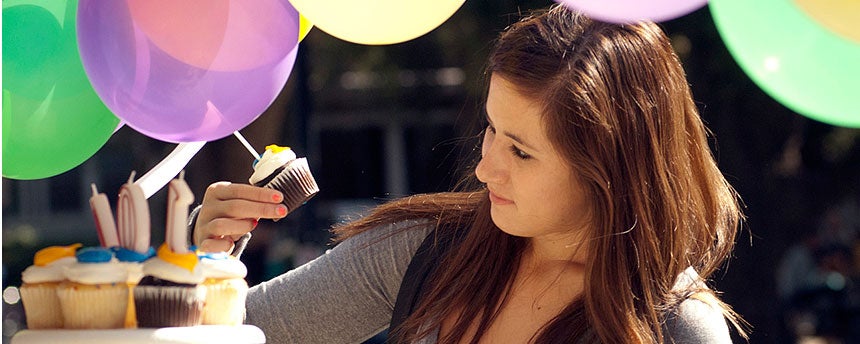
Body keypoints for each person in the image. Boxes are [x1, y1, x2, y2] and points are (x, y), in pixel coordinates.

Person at [192, 5, 748, 343]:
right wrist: (202, 264)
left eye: (521, 153)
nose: (484, 168)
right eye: (491, 129)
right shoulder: (423, 251)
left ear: (611, 171)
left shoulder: (677, 326)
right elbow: (232, 332)